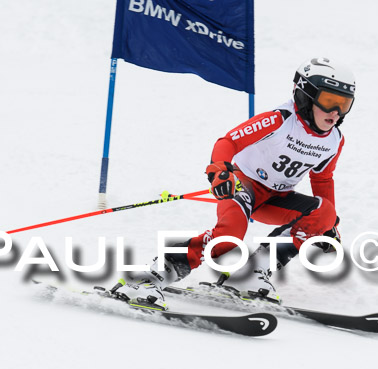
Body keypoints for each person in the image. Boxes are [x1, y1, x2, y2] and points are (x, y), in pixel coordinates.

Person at [113, 57, 356, 310]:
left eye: (344, 104)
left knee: (325, 213)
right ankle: (150, 277)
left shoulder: (334, 140)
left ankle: (252, 273)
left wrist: (329, 225)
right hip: (243, 186)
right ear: (305, 95)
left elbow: (322, 178)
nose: (336, 112)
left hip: (277, 199)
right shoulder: (279, 120)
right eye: (329, 101)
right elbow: (228, 142)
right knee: (228, 239)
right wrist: (219, 170)